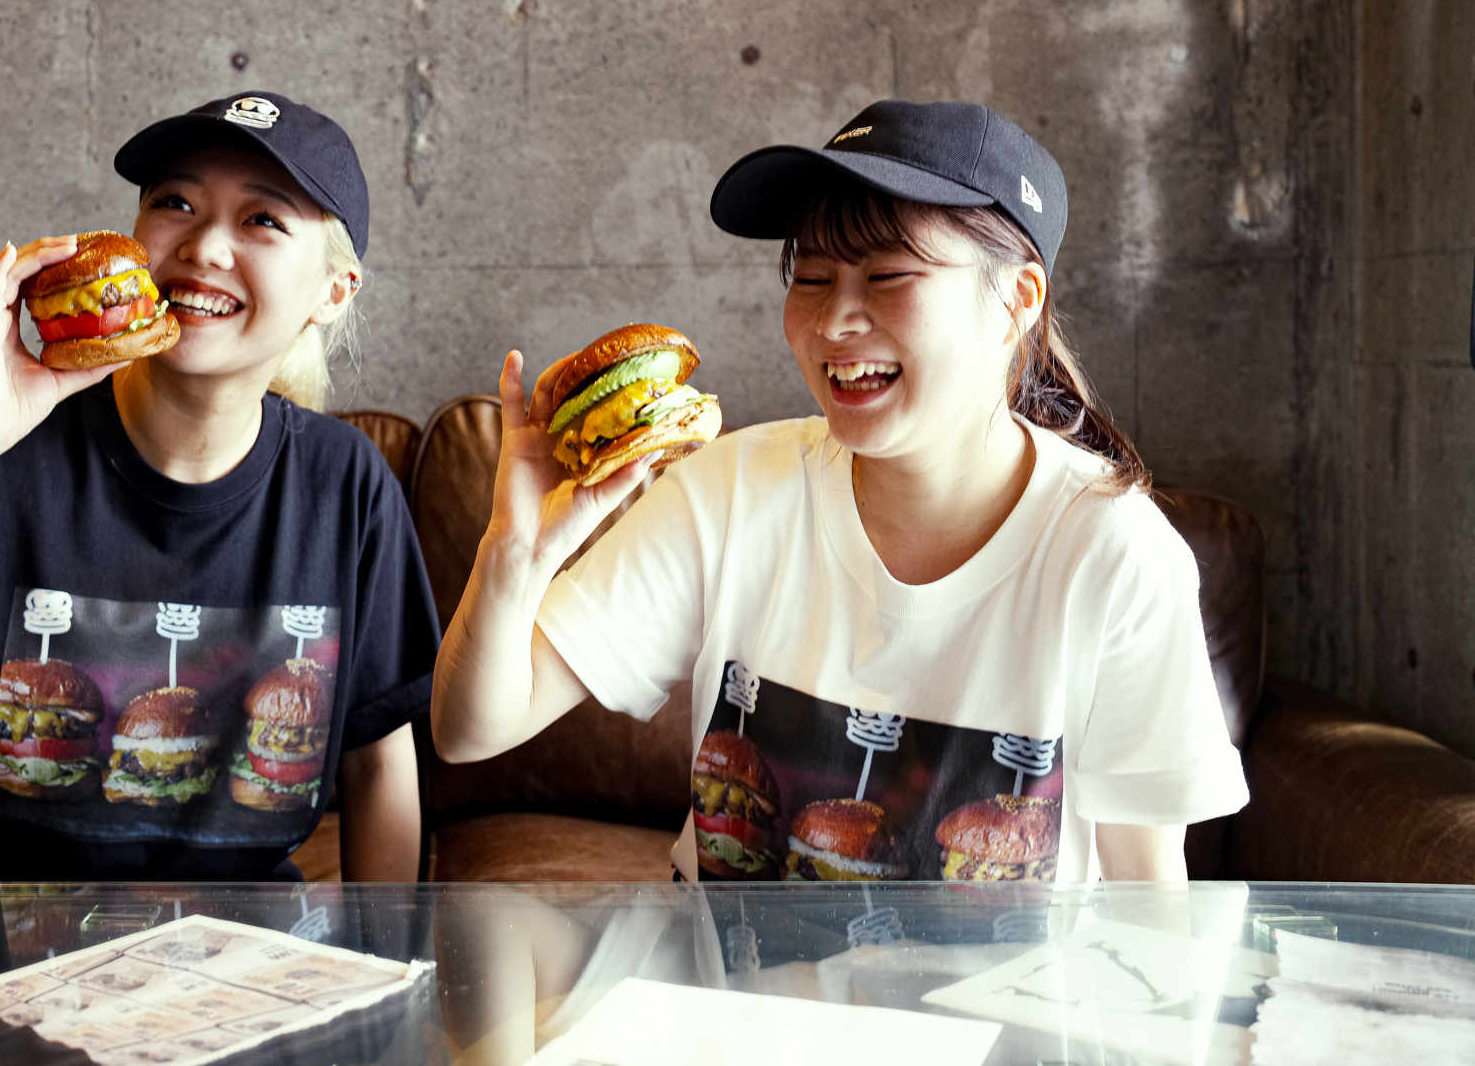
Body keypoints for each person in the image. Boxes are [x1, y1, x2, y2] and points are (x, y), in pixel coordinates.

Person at [432, 99, 1248, 884]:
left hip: (995, 1026)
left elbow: (1149, 895)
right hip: (723, 1015)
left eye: (888, 274)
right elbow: (472, 730)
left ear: (1016, 301)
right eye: (811, 275)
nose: (833, 321)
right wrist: (514, 554)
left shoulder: (1115, 552)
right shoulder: (730, 493)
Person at [0, 92, 439, 883]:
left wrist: (388, 969)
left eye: (263, 219)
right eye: (175, 202)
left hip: (230, 959)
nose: (204, 246)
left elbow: (376, 760)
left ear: (335, 291)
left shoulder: (346, 483)